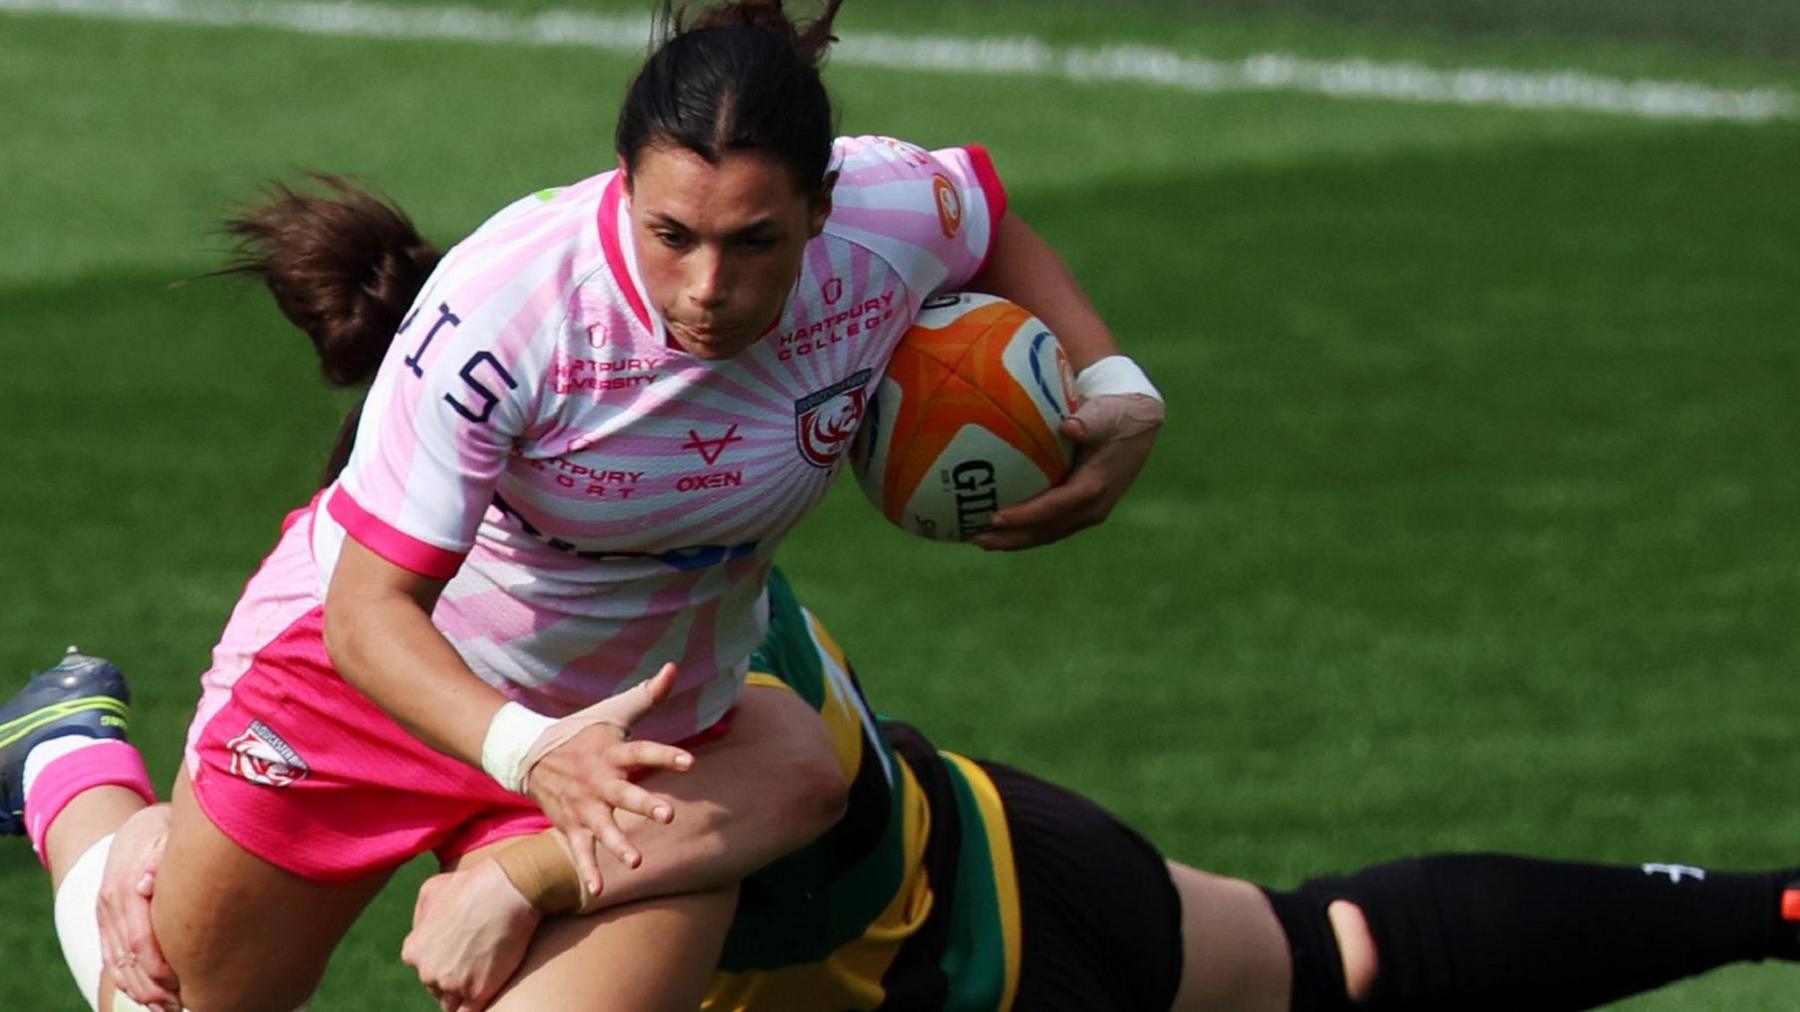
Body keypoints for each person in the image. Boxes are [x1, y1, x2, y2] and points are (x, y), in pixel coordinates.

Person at [1, 1, 1165, 1010]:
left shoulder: (889, 216)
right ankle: (67, 767)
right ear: (624, 193)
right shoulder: (509, 312)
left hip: (638, 732)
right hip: (388, 680)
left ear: (822, 207)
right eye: (672, 237)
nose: (708, 287)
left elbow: (986, 211)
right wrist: (531, 753)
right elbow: (368, 615)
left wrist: (1113, 385)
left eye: (755, 242)